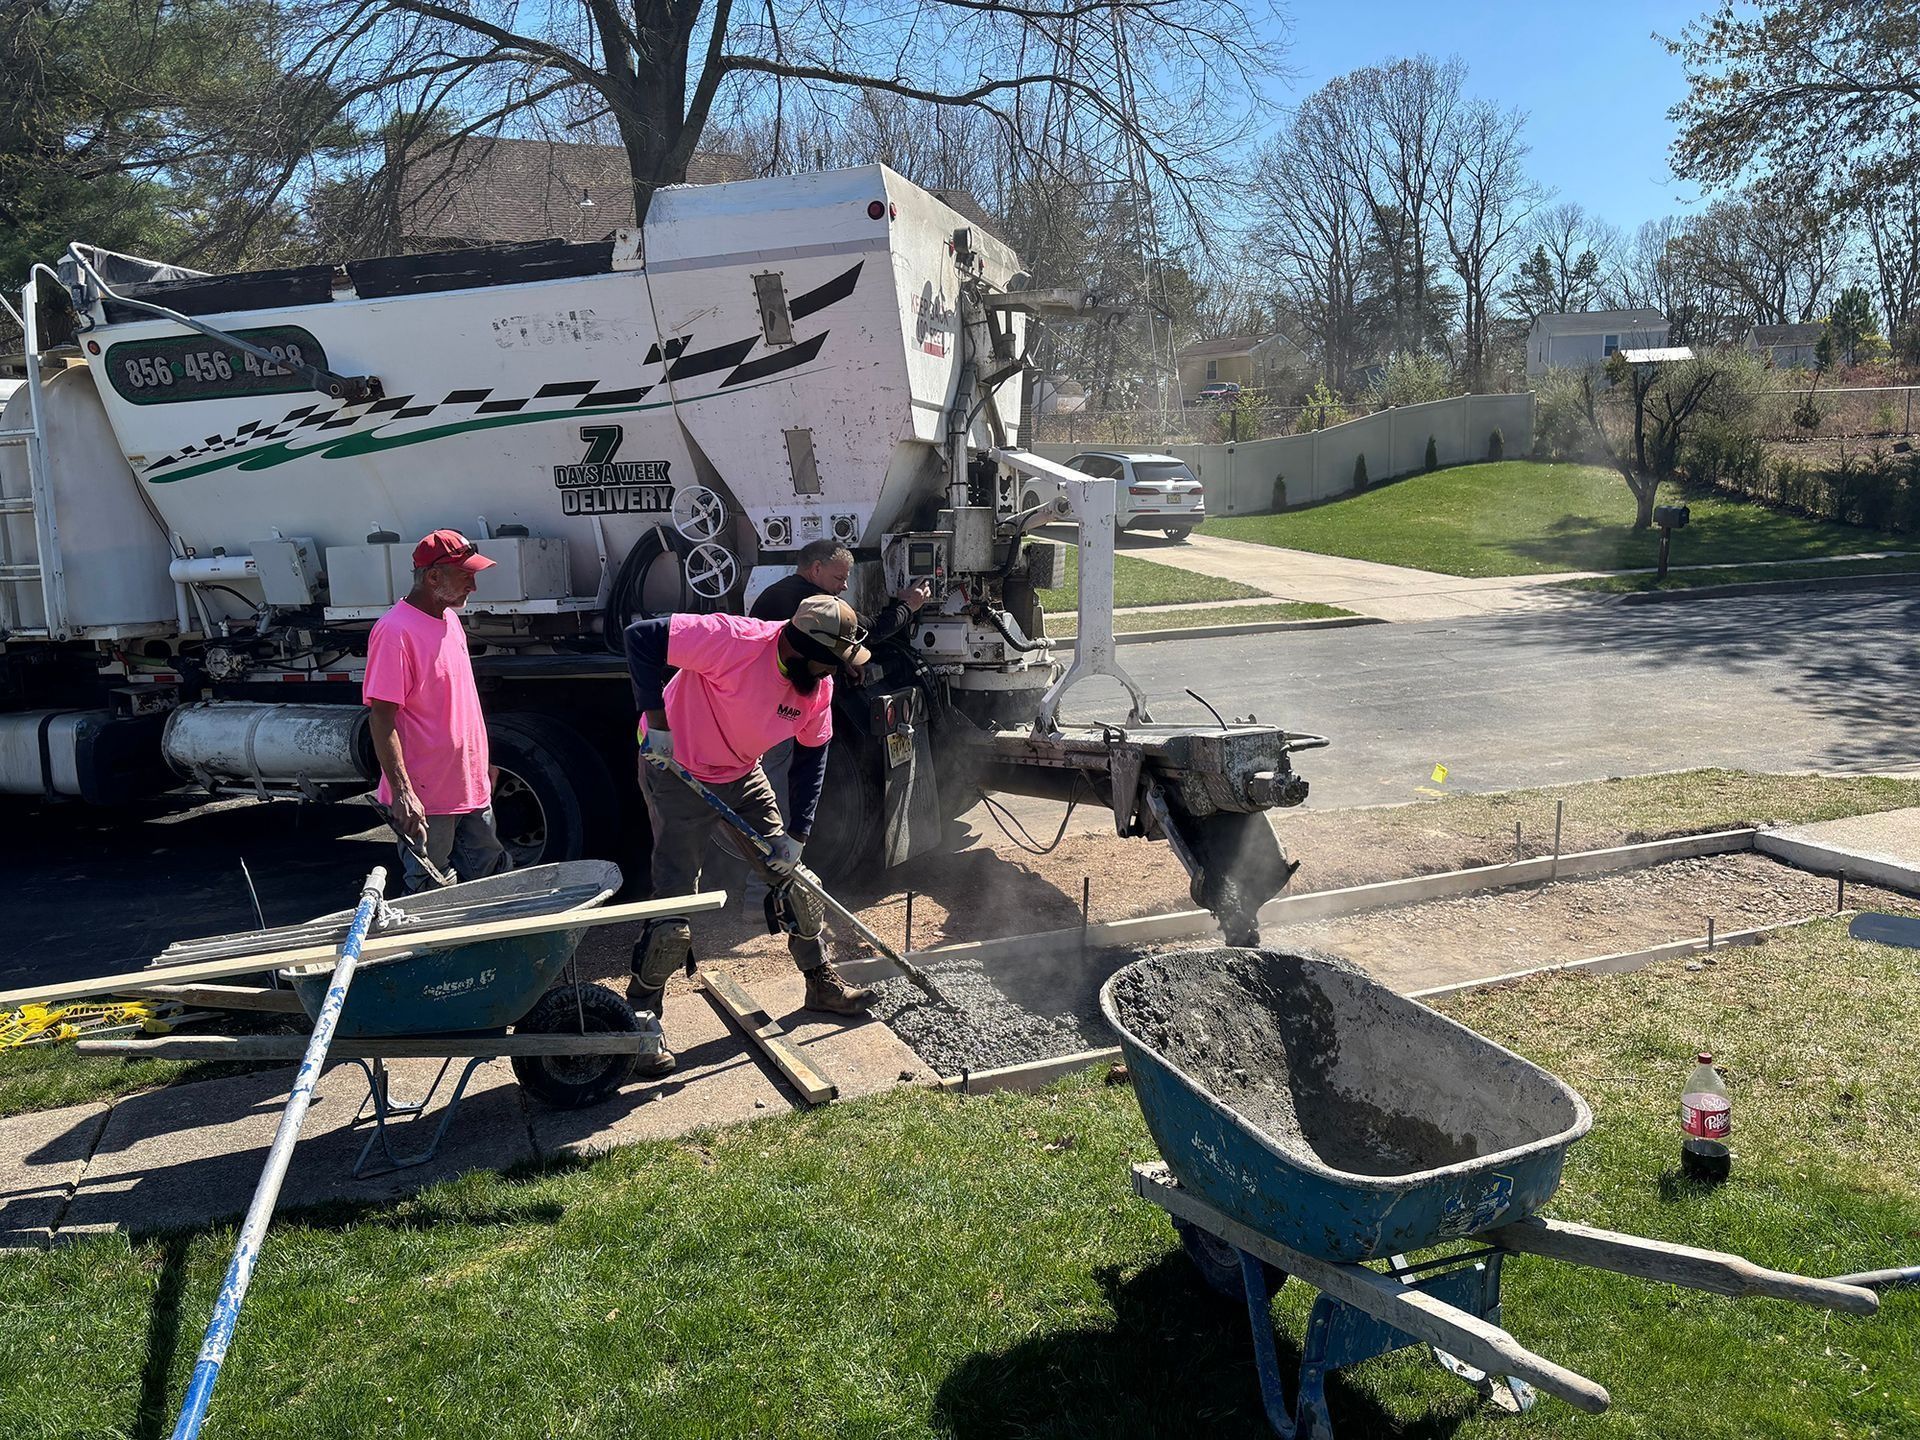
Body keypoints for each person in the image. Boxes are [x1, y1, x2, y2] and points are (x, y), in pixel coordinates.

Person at [623, 595, 882, 1073]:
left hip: (742, 773)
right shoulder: (732, 640)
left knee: (796, 883)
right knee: (675, 902)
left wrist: (797, 837)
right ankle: (641, 1012)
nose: (837, 673)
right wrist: (656, 723)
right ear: (803, 649)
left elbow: (812, 757)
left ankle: (819, 981)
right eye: (833, 661)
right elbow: (640, 638)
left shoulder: (816, 687)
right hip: (677, 768)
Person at [363, 529, 511, 894]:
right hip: (428, 797)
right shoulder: (395, 631)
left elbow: (458, 702)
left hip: (468, 786)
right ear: (433, 577)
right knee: (432, 889)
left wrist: (481, 763)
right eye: (466, 576)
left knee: (492, 877)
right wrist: (403, 794)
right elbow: (382, 719)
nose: (473, 587)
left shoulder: (451, 620)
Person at [748, 539, 931, 638]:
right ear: (817, 569)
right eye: (839, 578)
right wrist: (908, 606)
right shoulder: (819, 603)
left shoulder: (774, 591)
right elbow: (871, 631)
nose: (844, 587)